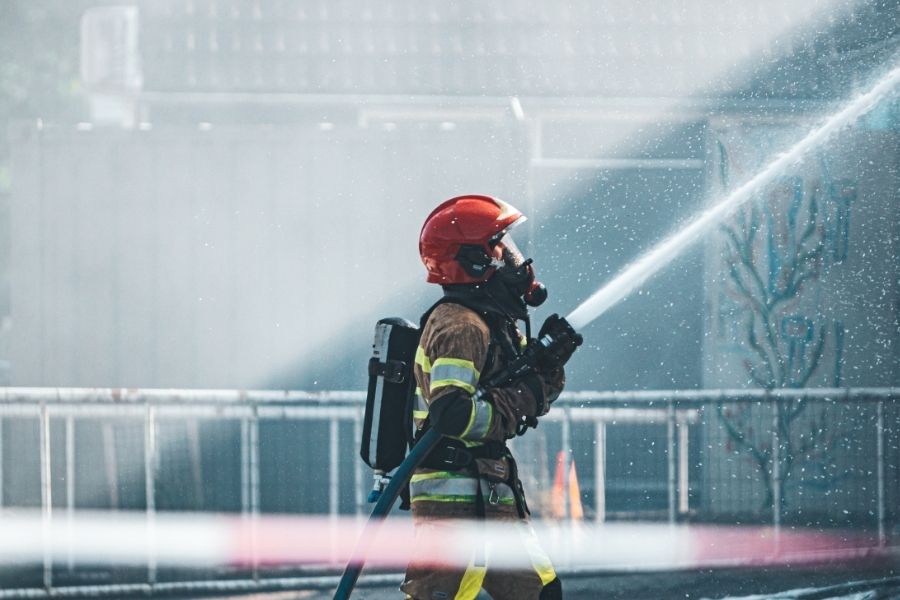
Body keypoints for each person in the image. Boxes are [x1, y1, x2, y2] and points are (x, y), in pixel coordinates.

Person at [401, 194, 582, 600]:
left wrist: (549, 364)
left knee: (541, 593)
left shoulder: (492, 323)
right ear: (473, 261)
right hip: (454, 505)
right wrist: (526, 392)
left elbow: (535, 393)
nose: (511, 258)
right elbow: (453, 415)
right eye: (498, 246)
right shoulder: (459, 326)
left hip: (491, 492)